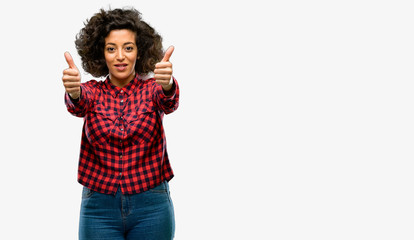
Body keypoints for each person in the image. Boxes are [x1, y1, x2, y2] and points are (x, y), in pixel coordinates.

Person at [61, 7, 179, 240]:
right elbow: (77, 103)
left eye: (128, 48)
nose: (120, 56)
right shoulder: (92, 92)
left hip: (152, 205)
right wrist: (73, 92)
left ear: (139, 51)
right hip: (99, 209)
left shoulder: (153, 89)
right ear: (101, 54)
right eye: (111, 49)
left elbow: (169, 101)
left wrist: (168, 84)